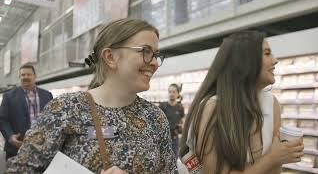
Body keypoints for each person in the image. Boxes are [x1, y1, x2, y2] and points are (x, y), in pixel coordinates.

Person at [6, 18, 177, 174]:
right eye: (145, 51)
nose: (154, 63)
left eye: (155, 54)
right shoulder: (66, 109)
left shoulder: (155, 118)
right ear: (110, 57)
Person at [180, 31, 304, 174]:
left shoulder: (272, 104)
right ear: (246, 61)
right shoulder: (212, 108)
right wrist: (273, 158)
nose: (275, 60)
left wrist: (284, 154)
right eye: (267, 53)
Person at [0, 64, 53, 160]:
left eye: (29, 74)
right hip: (16, 149)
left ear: (35, 76)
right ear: (19, 77)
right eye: (23, 75)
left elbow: (52, 118)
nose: (25, 77)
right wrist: (10, 136)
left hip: (42, 149)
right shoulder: (8, 96)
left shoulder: (47, 95)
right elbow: (2, 119)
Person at [159, 83, 185, 160]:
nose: (171, 94)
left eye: (174, 92)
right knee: (163, 161)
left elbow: (182, 121)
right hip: (163, 139)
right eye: (170, 92)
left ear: (178, 93)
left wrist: (181, 128)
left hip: (175, 138)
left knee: (174, 160)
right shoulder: (162, 106)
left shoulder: (180, 107)